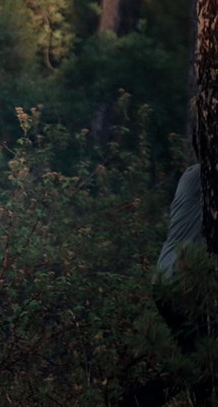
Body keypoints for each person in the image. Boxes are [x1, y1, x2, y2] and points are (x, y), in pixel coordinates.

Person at [119, 163, 213, 406]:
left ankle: (136, 400)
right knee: (202, 366)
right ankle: (135, 402)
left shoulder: (193, 174)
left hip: (167, 280)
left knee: (194, 364)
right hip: (185, 284)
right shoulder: (204, 174)